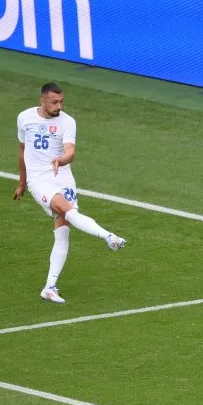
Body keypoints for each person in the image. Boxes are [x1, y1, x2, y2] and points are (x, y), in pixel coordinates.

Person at [13, 82, 125, 304]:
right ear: (42, 101)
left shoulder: (68, 122)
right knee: (67, 209)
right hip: (39, 180)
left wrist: (61, 159)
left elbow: (70, 152)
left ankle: (49, 287)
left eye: (62, 101)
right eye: (54, 102)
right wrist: (23, 183)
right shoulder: (24, 118)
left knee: (63, 230)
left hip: (63, 177)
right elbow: (22, 151)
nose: (59, 106)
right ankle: (109, 237)